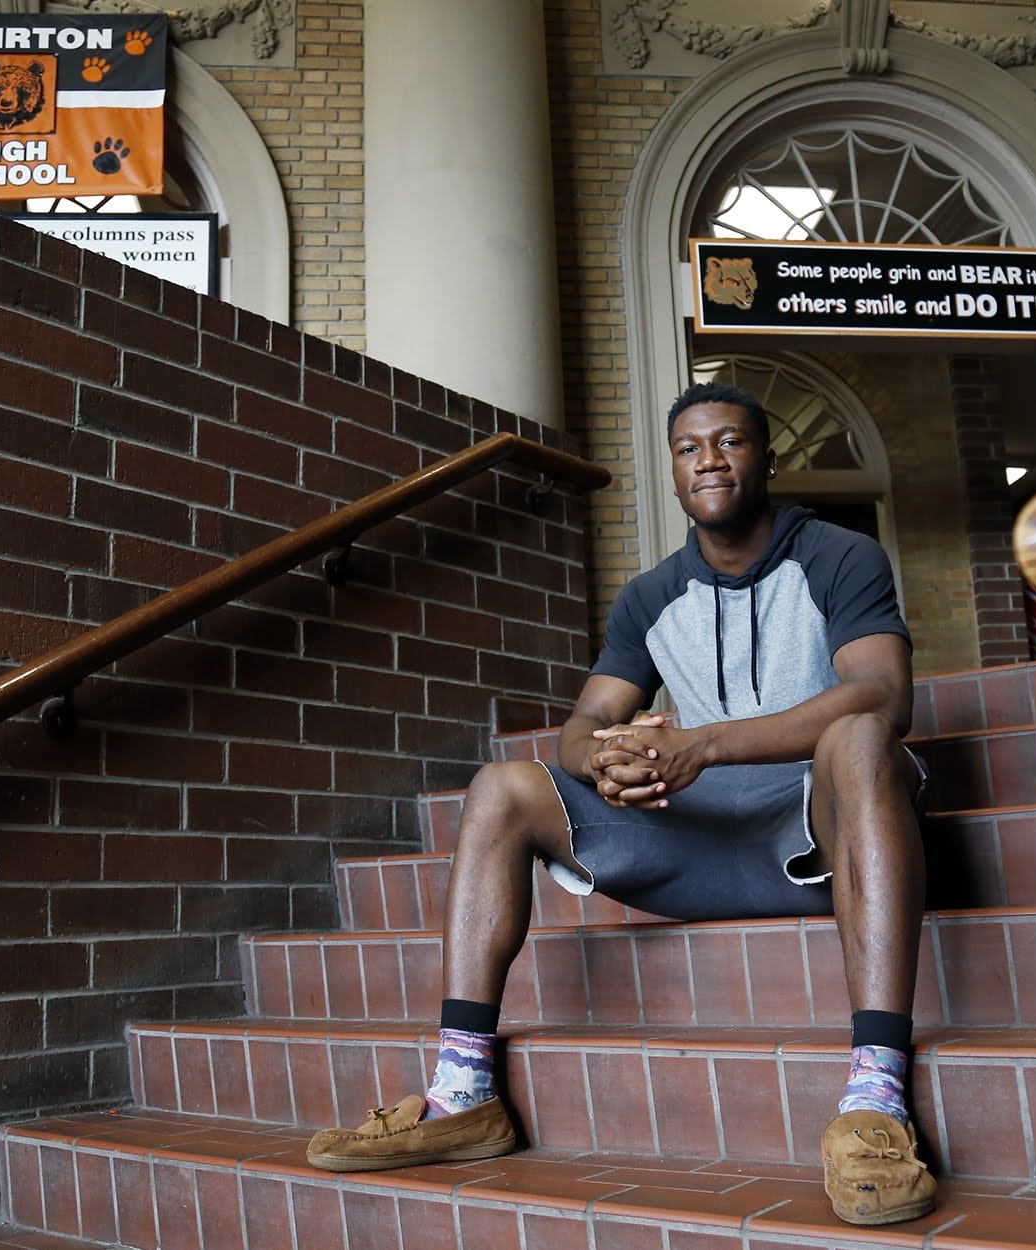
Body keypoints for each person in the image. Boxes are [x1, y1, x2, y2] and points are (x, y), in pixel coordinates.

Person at [305, 382, 936, 1227]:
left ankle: (877, 1097)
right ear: (672, 471)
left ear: (767, 459)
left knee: (860, 736)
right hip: (695, 842)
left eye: (730, 441)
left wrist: (703, 743)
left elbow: (884, 695)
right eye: (689, 447)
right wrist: (605, 764)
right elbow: (585, 722)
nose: (709, 459)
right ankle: (463, 1093)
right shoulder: (650, 595)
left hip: (820, 835)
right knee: (503, 786)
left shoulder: (838, 555)